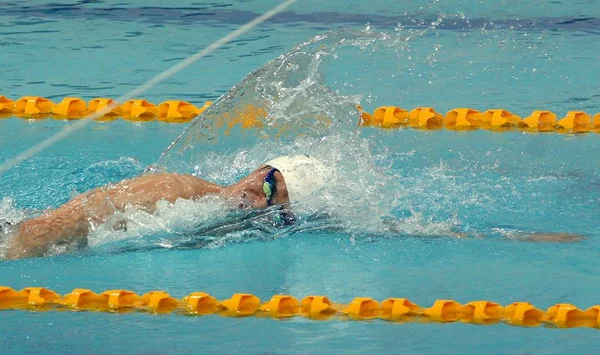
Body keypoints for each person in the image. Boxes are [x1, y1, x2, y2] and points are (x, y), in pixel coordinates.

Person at [5, 155, 331, 260]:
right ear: (259, 169)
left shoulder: (214, 221)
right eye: (267, 183)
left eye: (274, 202)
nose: (258, 197)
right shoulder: (175, 191)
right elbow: (49, 226)